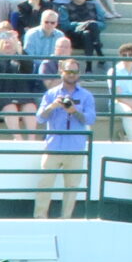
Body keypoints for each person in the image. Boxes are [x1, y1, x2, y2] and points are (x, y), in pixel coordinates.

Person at [34, 60, 94, 219]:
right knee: (45, 183)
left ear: (78, 74)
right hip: (53, 146)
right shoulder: (51, 94)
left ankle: (65, 218)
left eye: (74, 72)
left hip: (75, 147)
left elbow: (90, 119)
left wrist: (74, 111)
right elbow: (39, 118)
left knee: (72, 186)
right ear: (62, 72)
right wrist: (52, 106)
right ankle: (40, 217)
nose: (71, 75)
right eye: (68, 72)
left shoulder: (86, 96)